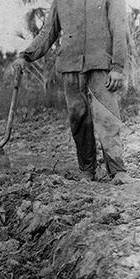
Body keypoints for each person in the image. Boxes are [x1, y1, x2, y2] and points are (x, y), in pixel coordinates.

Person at [13, 0, 132, 184]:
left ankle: (118, 171)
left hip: (101, 65)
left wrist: (117, 66)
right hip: (71, 66)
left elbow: (119, 28)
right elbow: (47, 32)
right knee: (79, 120)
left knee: (107, 117)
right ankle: (87, 171)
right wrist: (26, 55)